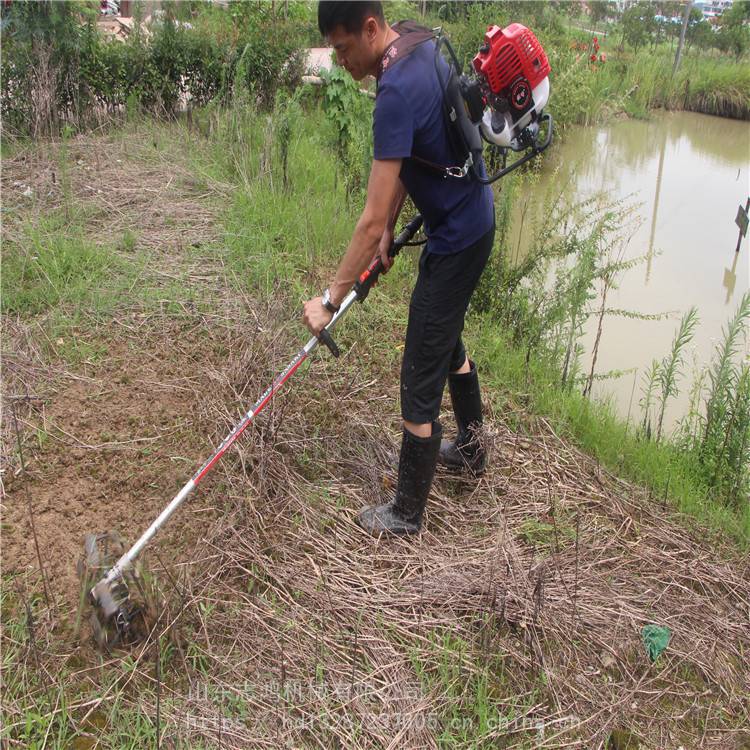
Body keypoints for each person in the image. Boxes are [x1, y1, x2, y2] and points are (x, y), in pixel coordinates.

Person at [303, 1, 495, 536]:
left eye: (342, 48)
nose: (340, 61)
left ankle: (407, 513)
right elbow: (418, 151)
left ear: (370, 29)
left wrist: (329, 299)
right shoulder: (419, 41)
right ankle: (474, 453)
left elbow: (364, 225)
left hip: (457, 238)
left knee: (418, 371)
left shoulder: (391, 92)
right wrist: (391, 221)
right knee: (444, 338)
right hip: (471, 221)